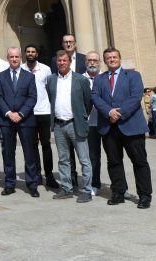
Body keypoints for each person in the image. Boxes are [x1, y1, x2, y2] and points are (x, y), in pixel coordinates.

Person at [91, 47, 153, 209]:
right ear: (104, 61)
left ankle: (145, 195)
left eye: (114, 57)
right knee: (114, 162)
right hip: (108, 127)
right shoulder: (99, 79)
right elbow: (95, 97)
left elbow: (135, 96)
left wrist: (119, 113)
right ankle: (118, 192)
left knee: (139, 162)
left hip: (131, 126)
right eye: (108, 58)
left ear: (119, 58)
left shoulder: (133, 76)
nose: (112, 59)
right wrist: (109, 111)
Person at [47, 50, 93, 203]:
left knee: (84, 160)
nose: (61, 63)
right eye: (59, 61)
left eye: (64, 60)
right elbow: (51, 99)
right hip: (59, 125)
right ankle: (66, 188)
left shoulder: (81, 80)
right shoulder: (51, 80)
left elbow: (88, 102)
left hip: (76, 124)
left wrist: (82, 117)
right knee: (63, 159)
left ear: (69, 62)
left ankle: (86, 190)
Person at [0, 47, 40, 197]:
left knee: (29, 153)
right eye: (11, 57)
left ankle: (32, 184)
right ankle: (9, 183)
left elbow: (32, 97)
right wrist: (8, 113)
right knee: (8, 153)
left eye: (17, 57)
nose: (14, 59)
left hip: (25, 120)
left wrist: (20, 113)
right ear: (8, 58)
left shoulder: (29, 76)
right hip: (6, 121)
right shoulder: (0, 77)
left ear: (21, 58)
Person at [23, 44, 59, 189]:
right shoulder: (21, 69)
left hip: (43, 112)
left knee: (46, 145)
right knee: (32, 146)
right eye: (28, 52)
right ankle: (36, 175)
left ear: (37, 54)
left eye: (33, 52)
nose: (30, 54)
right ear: (25, 54)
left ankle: (49, 175)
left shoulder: (46, 69)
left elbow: (50, 90)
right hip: (28, 113)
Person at [83, 51, 103, 194]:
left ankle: (120, 186)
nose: (92, 63)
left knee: (115, 156)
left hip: (107, 122)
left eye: (95, 60)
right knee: (93, 156)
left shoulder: (105, 77)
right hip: (89, 124)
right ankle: (94, 184)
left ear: (99, 62)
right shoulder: (79, 79)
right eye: (89, 60)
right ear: (85, 62)